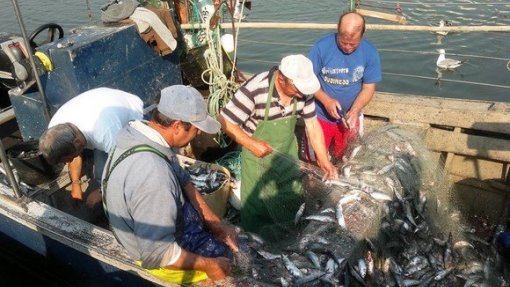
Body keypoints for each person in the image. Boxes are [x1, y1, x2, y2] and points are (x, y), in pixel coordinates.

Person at [102, 85, 238, 284]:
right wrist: (211, 266)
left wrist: (214, 222)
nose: (199, 134)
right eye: (196, 128)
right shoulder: (154, 175)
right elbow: (159, 253)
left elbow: (183, 178)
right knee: (230, 265)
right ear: (177, 125)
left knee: (231, 246)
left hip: (156, 228)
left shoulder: (138, 135)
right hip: (160, 260)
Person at [219, 54, 338, 238]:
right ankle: (255, 245)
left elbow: (312, 125)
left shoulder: (303, 94)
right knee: (258, 206)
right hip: (257, 159)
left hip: (287, 155)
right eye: (298, 89)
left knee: (291, 199)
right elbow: (225, 121)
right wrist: (251, 143)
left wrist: (324, 159)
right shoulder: (255, 89)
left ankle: (287, 237)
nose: (302, 94)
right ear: (281, 79)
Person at [39, 87, 143, 207]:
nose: (70, 161)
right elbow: (73, 153)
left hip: (133, 116)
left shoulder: (105, 133)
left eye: (71, 157)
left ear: (78, 142)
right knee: (101, 174)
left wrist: (101, 193)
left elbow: (126, 167)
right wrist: (76, 183)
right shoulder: (55, 130)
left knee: (119, 179)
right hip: (101, 111)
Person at [303, 12, 382, 162]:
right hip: (319, 116)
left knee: (348, 158)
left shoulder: (370, 52)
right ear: (338, 32)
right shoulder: (321, 47)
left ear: (362, 36)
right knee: (315, 160)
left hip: (350, 118)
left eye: (353, 44)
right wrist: (326, 101)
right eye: (343, 42)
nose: (347, 48)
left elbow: (368, 87)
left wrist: (355, 110)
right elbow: (307, 80)